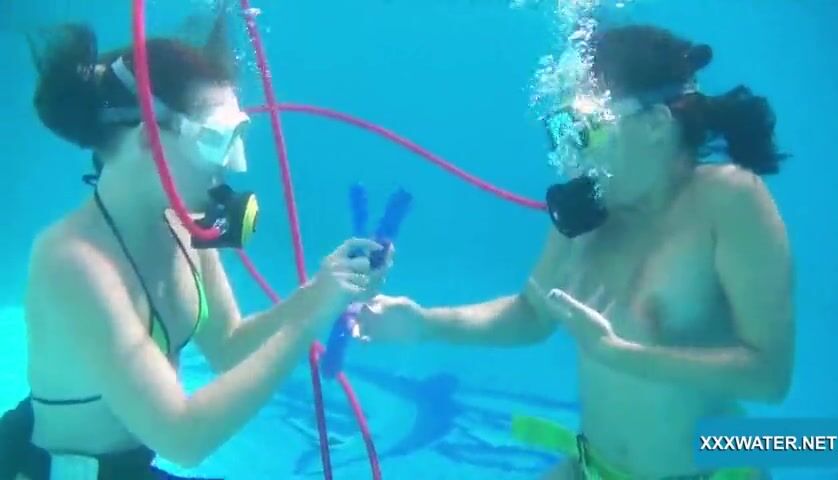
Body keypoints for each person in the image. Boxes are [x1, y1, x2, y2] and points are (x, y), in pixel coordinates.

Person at [358, 24, 794, 479]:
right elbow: (532, 313)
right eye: (561, 128)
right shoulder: (588, 210)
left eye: (589, 129)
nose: (572, 152)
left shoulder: (728, 201)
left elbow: (769, 378)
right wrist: (423, 323)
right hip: (593, 468)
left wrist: (619, 354)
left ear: (655, 126)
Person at [0, 20, 394, 480]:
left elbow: (228, 347)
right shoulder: (73, 262)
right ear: (149, 139)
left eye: (237, 136)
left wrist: (322, 291)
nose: (236, 163)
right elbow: (182, 439)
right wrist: (308, 319)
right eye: (217, 138)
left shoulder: (183, 224)